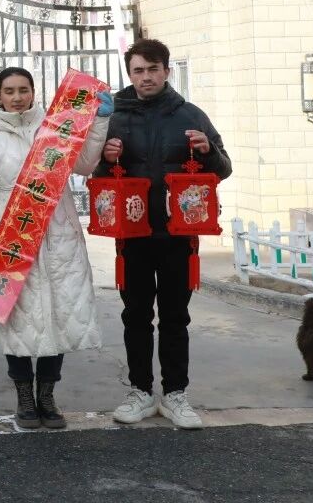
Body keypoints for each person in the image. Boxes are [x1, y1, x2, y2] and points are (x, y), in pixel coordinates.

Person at [93, 38, 232, 430]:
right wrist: (106, 159)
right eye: (138, 70)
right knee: (135, 316)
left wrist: (207, 151)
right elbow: (97, 176)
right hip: (132, 236)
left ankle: (175, 394)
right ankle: (140, 391)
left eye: (153, 69)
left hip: (177, 236)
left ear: (167, 71)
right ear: (130, 74)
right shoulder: (114, 117)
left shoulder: (190, 114)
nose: (146, 77)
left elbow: (223, 168)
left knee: (175, 317)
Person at [0, 68, 114, 429]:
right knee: (14, 319)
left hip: (58, 234)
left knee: (58, 315)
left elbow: (85, 164)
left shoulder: (56, 127)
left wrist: (99, 122)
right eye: (9, 91)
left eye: (23, 90)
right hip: (12, 238)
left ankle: (47, 396)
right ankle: (24, 397)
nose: (17, 97)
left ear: (33, 92)